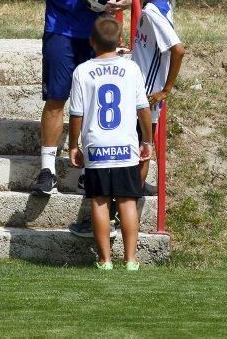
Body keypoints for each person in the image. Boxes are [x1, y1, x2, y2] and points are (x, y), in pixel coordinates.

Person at [28, 0, 132, 195]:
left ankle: (90, 170)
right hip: (61, 25)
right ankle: (47, 170)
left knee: (93, 101)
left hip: (98, 31)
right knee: (57, 97)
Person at [67, 16, 153, 270]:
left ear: (91, 41)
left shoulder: (82, 71)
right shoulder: (131, 68)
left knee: (99, 201)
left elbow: (76, 114)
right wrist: (147, 139)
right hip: (125, 145)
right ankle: (130, 260)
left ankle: (105, 260)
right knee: (127, 201)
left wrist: (74, 145)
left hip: (96, 145)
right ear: (119, 42)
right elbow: (143, 108)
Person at [126, 0, 185, 192]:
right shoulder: (159, 2)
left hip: (146, 93)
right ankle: (131, 194)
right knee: (138, 143)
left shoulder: (153, 13)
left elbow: (178, 50)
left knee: (141, 145)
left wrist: (165, 90)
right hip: (138, 86)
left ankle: (130, 199)